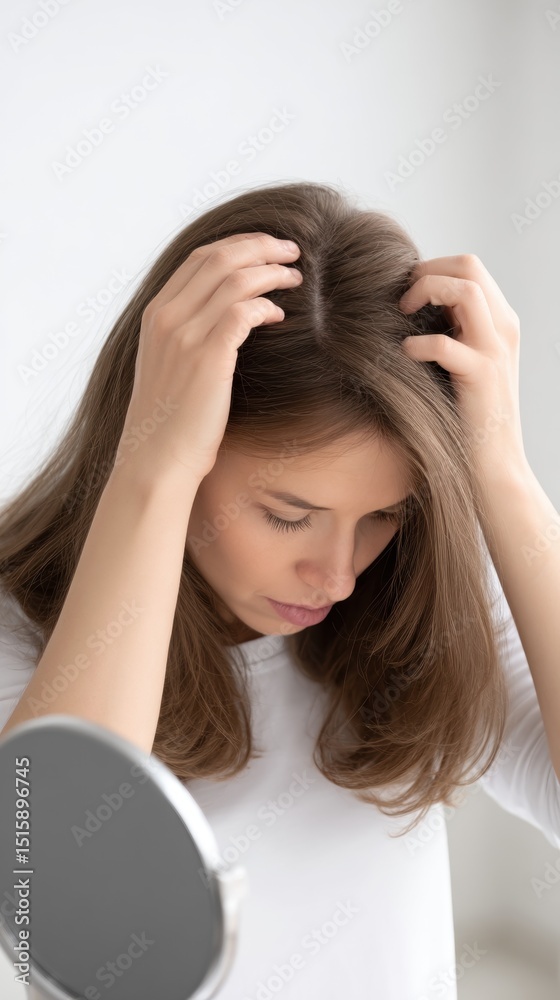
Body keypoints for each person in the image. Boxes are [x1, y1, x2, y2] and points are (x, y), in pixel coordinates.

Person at [0, 180, 558, 998]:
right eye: (289, 515)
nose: (338, 576)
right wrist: (150, 468)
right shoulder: (22, 630)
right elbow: (68, 921)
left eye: (383, 516)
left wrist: (503, 472)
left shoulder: (414, 605)